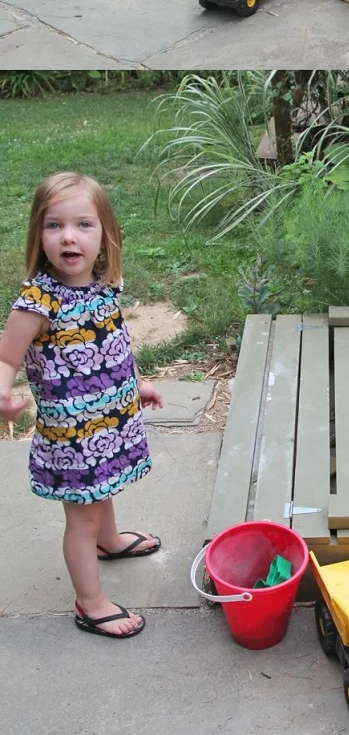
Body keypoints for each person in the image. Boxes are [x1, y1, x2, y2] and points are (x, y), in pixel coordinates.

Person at [0, 172, 163, 639]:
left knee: (103, 490)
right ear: (39, 235)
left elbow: (114, 342)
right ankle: (90, 601)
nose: (68, 236)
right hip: (72, 437)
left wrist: (137, 382)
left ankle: (109, 543)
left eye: (83, 225)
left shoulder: (103, 285)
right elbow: (6, 356)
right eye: (54, 226)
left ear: (105, 236)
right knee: (82, 514)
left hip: (109, 422)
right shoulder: (36, 302)